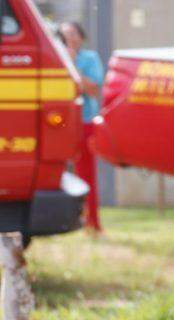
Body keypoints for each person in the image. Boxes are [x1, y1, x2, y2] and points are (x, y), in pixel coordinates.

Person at [60, 21, 105, 233]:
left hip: (85, 122)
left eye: (73, 33)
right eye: (65, 34)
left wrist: (73, 64)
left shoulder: (90, 58)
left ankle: (93, 222)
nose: (69, 38)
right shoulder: (55, 56)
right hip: (61, 124)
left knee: (87, 174)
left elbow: (93, 89)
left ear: (81, 36)